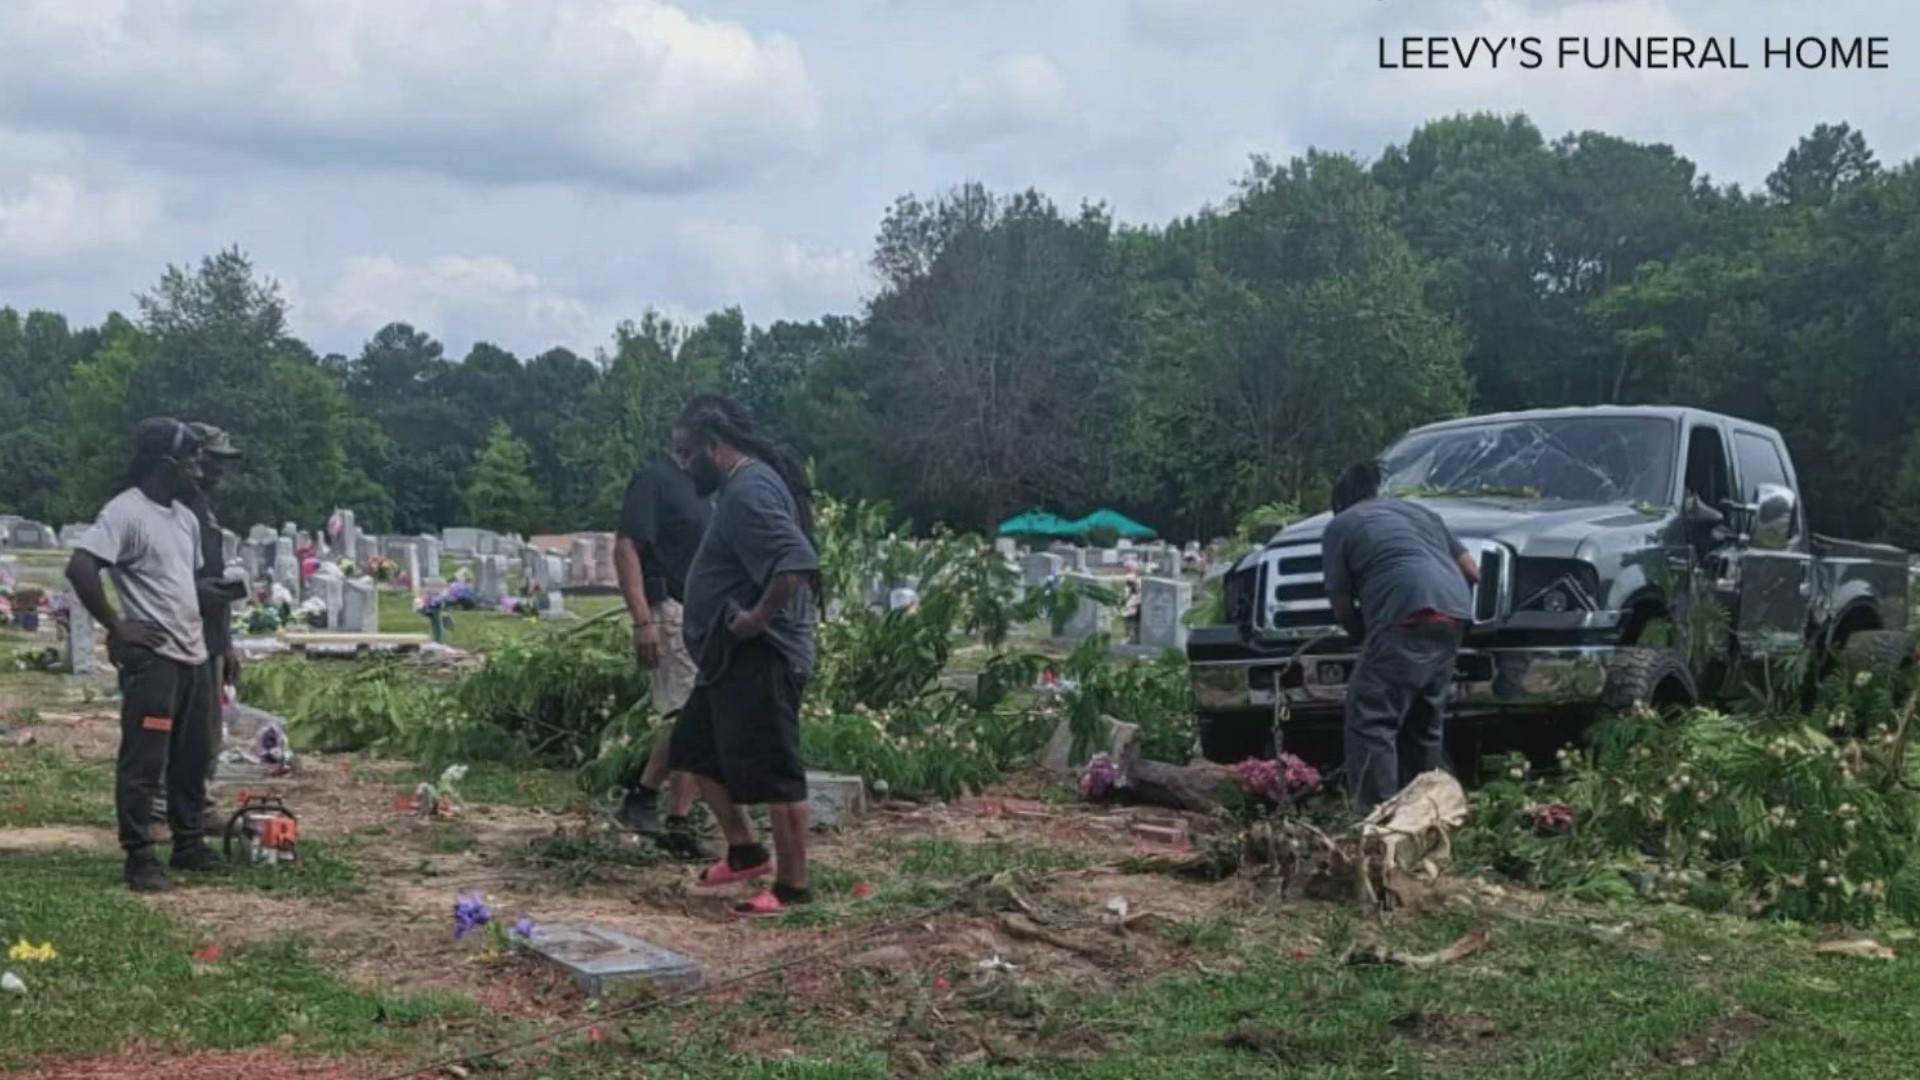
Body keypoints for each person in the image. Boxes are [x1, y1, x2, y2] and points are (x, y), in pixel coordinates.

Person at [670, 394, 821, 918]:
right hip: (728, 657)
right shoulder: (740, 488)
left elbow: (797, 559)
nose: (684, 466)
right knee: (691, 747)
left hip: (765, 654)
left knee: (778, 770)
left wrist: (757, 618)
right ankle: (745, 851)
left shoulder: (749, 491)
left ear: (715, 447)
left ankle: (792, 889)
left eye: (689, 454)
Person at [65, 418, 229, 892]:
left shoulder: (184, 517)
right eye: (191, 461)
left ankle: (189, 842)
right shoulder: (126, 512)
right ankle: (139, 855)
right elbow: (81, 566)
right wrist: (117, 625)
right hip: (155, 659)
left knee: (193, 757)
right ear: (164, 464)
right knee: (146, 760)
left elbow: (179, 579)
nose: (199, 471)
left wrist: (208, 593)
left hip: (193, 654)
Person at [1320, 461, 1481, 818]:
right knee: (1422, 723)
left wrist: (1364, 635)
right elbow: (1472, 571)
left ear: (1340, 503)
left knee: (1371, 719)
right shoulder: (1420, 512)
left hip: (1407, 614)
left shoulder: (1341, 525)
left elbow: (1342, 607)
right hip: (1453, 614)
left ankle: (1377, 821)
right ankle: (1426, 816)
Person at [609, 431, 714, 862]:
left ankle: (676, 821)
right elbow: (626, 548)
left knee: (694, 716)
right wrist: (642, 620)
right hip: (667, 609)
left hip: (698, 612)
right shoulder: (655, 480)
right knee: (686, 716)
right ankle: (642, 798)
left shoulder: (701, 488)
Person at [186, 423, 247, 773]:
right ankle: (174, 808)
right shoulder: (177, 509)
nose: (221, 468)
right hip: (184, 634)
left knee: (207, 729)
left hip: (208, 635)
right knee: (190, 730)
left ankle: (196, 804)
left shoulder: (201, 505)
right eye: (214, 459)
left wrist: (225, 645)